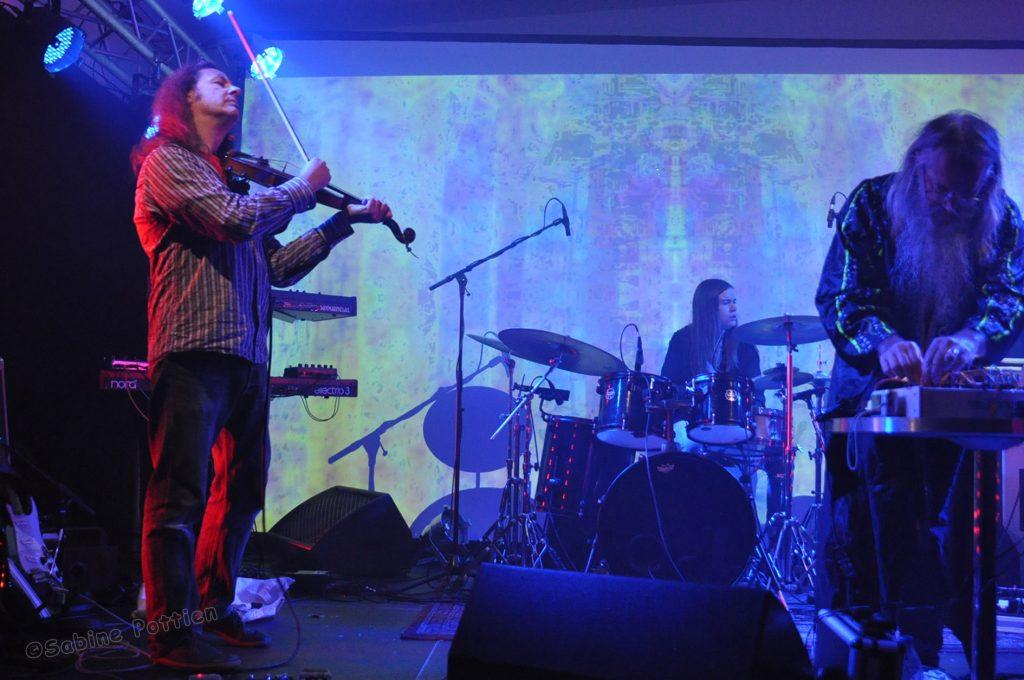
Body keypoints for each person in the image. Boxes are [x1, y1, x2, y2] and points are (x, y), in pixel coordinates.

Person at [131, 61, 392, 671]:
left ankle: (213, 609)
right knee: (179, 498)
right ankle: (169, 634)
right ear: (185, 99)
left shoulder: (231, 181)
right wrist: (303, 187)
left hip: (246, 358)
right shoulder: (167, 162)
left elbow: (274, 268)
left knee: (242, 495)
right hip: (193, 354)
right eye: (217, 82)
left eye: (232, 83)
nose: (231, 88)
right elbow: (230, 221)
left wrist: (340, 222)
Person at [815, 111, 1024, 667]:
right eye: (939, 188)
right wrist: (883, 342)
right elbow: (840, 297)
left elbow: (1010, 295)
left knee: (952, 536)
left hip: (952, 408)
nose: (950, 205)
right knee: (869, 536)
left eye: (966, 195)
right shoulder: (870, 204)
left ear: (988, 183)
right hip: (870, 398)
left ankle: (932, 653)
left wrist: (974, 337)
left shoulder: (1003, 219)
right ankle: (872, 656)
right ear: (916, 167)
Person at [660, 278, 760, 386]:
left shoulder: (744, 343)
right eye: (726, 302)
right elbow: (670, 385)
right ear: (708, 308)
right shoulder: (682, 340)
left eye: (734, 302)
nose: (733, 308)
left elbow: (756, 389)